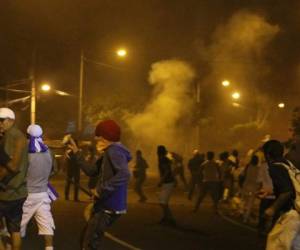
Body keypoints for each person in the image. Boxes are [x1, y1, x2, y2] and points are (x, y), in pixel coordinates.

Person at [69, 119, 131, 250]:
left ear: (106, 137)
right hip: (104, 206)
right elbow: (92, 171)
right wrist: (77, 154)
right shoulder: (108, 152)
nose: (96, 139)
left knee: (89, 243)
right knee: (87, 241)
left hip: (108, 207)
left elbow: (124, 174)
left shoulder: (114, 151)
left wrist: (101, 190)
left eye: (98, 137)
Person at [21, 124, 55, 250]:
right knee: (47, 226)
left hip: (27, 195)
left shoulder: (25, 152)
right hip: (43, 194)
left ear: (27, 136)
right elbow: (53, 170)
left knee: (15, 228)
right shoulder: (48, 152)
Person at [262, 140, 300, 249]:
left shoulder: (275, 167)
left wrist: (272, 209)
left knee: (275, 245)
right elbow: (291, 187)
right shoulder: (288, 164)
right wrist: (269, 191)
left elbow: (287, 191)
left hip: (291, 216)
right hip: (297, 213)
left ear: (268, 154)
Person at [0, 108, 28, 250]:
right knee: (15, 230)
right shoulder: (21, 136)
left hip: (6, 193)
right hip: (20, 192)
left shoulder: (11, 135)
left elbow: (12, 166)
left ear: (10, 120)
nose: (0, 123)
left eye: (2, 120)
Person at [157, 145, 176, 226]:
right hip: (168, 181)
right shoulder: (165, 157)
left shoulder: (162, 159)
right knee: (163, 201)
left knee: (163, 202)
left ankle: (170, 218)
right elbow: (172, 162)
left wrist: (161, 181)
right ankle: (166, 217)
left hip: (168, 181)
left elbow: (167, 171)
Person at [240, 154, 260, 223]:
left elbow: (242, 175)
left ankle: (242, 213)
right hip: (253, 188)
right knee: (250, 204)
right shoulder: (258, 169)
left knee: (244, 201)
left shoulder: (248, 167)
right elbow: (259, 180)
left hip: (246, 186)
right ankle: (245, 218)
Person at [64, 137, 81, 201]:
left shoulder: (70, 151)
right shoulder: (76, 151)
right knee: (74, 183)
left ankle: (68, 196)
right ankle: (75, 198)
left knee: (69, 183)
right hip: (75, 169)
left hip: (71, 169)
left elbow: (66, 160)